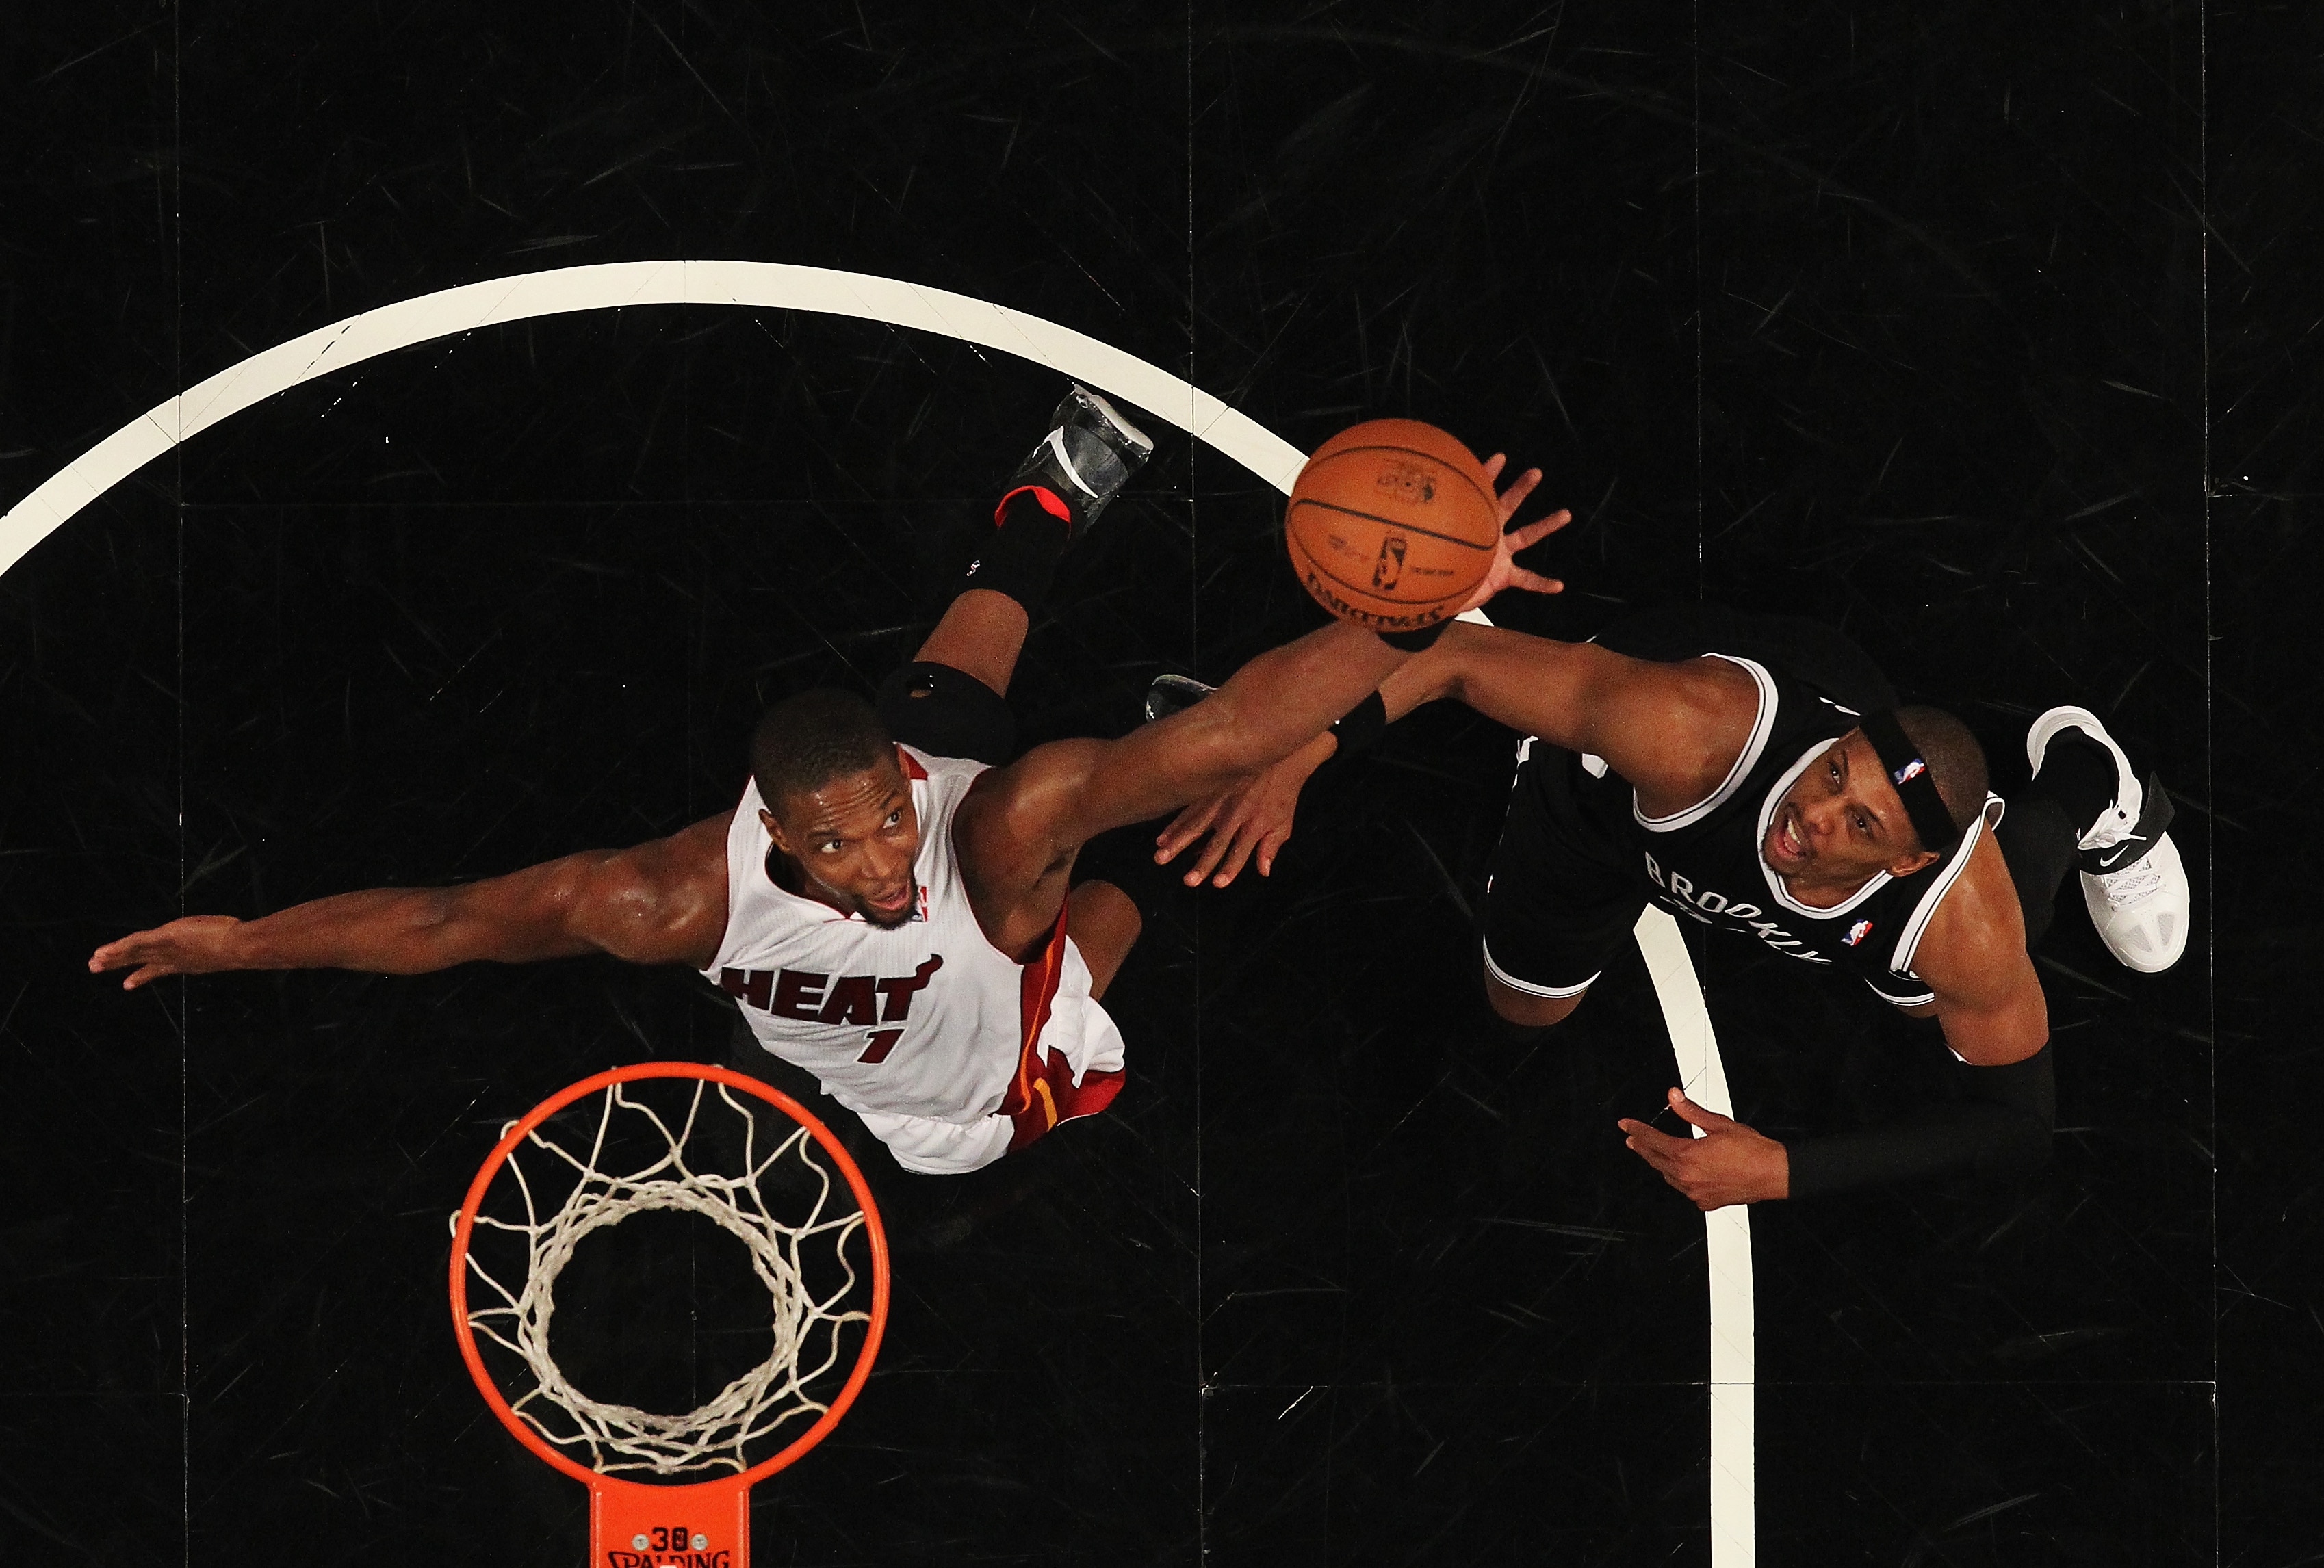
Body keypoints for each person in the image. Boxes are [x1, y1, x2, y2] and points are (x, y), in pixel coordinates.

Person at [89, 391, 1562, 1175]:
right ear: (772, 829)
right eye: (846, 845)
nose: (880, 858)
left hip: (988, 879)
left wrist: (1412, 606)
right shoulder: (674, 896)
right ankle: (1092, 853)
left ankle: (1041, 505)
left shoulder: (951, 832)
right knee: (1117, 904)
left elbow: (1245, 733)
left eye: (883, 818)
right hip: (981, 1091)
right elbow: (445, 922)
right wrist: (242, 945)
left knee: (1041, 778)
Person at [1152, 468, 2189, 1212]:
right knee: (1517, 1016)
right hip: (1606, 810)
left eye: (1858, 822)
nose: (1812, 816)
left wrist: (1780, 1171)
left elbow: (2017, 1129)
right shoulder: (1686, 733)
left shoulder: (1954, 913)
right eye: (1834, 772)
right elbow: (1452, 658)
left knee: (1943, 976)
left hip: (1894, 891)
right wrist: (1294, 755)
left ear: (1908, 860)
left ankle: (2086, 782)